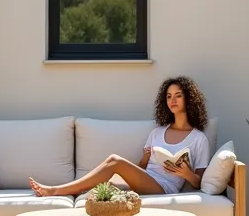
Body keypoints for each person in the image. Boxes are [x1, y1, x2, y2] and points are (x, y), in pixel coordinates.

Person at [29, 76, 211, 197]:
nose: (172, 100)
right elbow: (142, 168)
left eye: (178, 96)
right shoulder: (157, 132)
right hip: (148, 180)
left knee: (115, 161)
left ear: (189, 99)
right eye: (169, 96)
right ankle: (76, 191)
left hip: (166, 188)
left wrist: (186, 174)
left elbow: (199, 183)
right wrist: (147, 158)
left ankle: (56, 190)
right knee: (106, 184)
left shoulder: (198, 139)